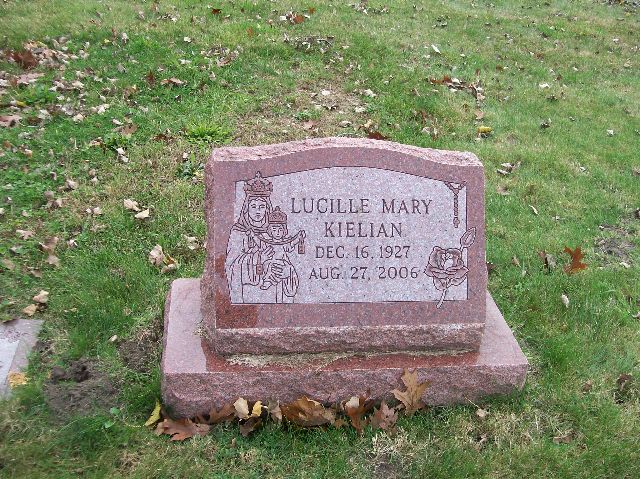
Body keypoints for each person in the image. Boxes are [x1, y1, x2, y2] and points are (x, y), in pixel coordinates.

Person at [257, 207, 305, 303]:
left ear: (284, 231)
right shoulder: (268, 242)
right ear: (270, 231)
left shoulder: (285, 243)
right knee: (270, 266)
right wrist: (252, 235)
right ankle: (267, 281)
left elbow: (292, 243)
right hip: (271, 261)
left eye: (280, 230)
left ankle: (271, 281)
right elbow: (259, 242)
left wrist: (299, 237)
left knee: (281, 269)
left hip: (282, 262)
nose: (277, 232)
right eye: (274, 230)